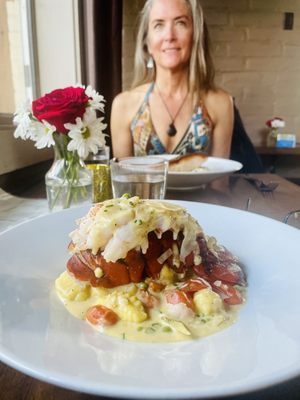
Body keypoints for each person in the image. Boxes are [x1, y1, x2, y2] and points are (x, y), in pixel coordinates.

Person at [111, 0, 233, 159]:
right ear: (147, 42)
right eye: (158, 25)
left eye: (180, 23)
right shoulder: (124, 105)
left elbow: (219, 183)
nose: (169, 36)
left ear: (195, 35)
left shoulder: (221, 104)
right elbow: (123, 182)